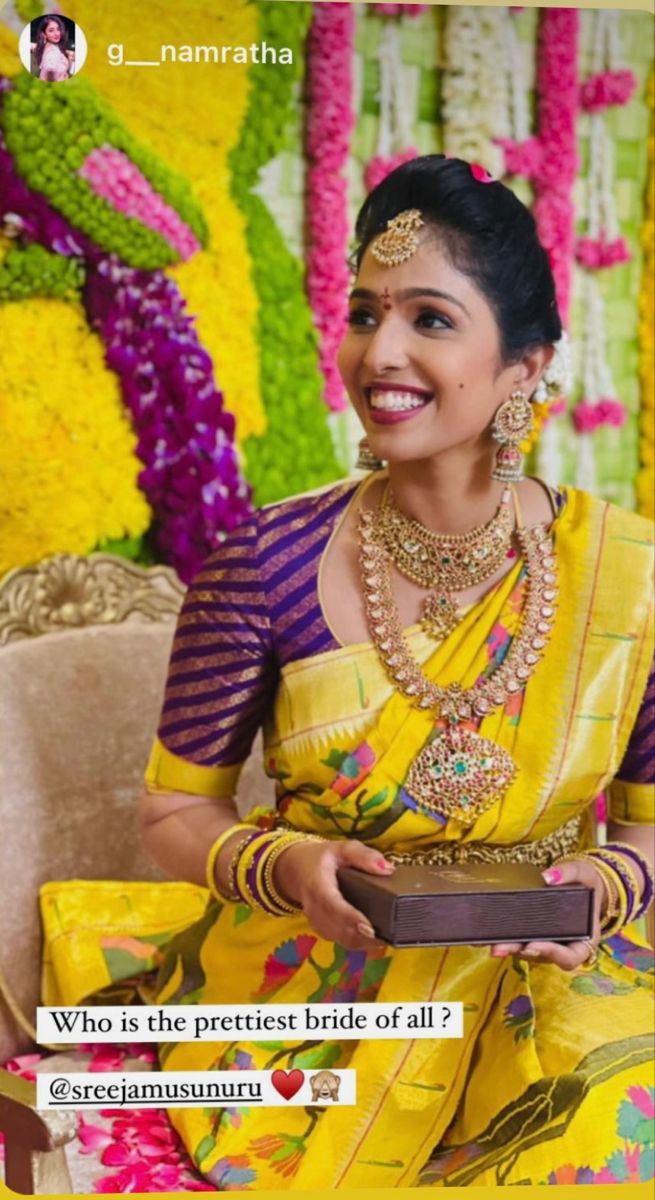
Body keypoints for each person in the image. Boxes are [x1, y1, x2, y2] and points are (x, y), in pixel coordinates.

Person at [140, 155, 654, 1190]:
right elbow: (167, 814)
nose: (380, 349)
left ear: (524, 368)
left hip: (553, 971)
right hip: (318, 985)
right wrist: (282, 866)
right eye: (365, 311)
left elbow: (649, 822)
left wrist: (603, 887)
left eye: (429, 318)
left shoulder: (629, 579)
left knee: (604, 1131)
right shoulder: (261, 564)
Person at [31, 15, 74, 82]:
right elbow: (50, 69)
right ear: (44, 34)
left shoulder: (46, 47)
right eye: (51, 30)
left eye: (58, 29)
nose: (57, 33)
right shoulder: (53, 52)